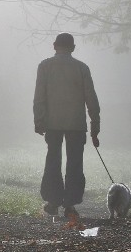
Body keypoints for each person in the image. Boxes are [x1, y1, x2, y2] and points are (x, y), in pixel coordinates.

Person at [33, 32, 100, 218]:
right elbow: (91, 99)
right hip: (76, 124)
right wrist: (95, 127)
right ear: (73, 48)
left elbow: (39, 96)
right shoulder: (82, 68)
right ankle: (70, 204)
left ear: (54, 45)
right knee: (75, 164)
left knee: (53, 160)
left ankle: (53, 201)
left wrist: (39, 120)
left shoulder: (44, 66)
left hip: (52, 123)